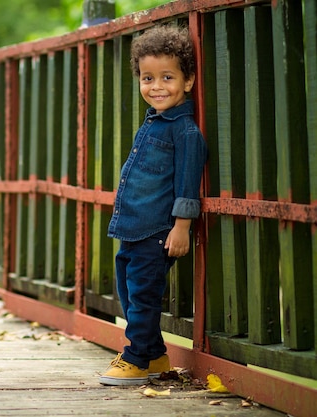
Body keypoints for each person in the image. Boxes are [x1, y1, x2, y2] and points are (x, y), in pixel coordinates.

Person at [99, 25, 208, 386]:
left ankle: (135, 359)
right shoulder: (152, 123)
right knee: (129, 293)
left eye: (167, 77)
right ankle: (157, 356)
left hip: (157, 231)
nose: (156, 86)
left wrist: (181, 227)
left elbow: (187, 184)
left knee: (144, 297)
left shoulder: (185, 132)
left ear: (188, 80)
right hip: (131, 227)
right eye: (148, 78)